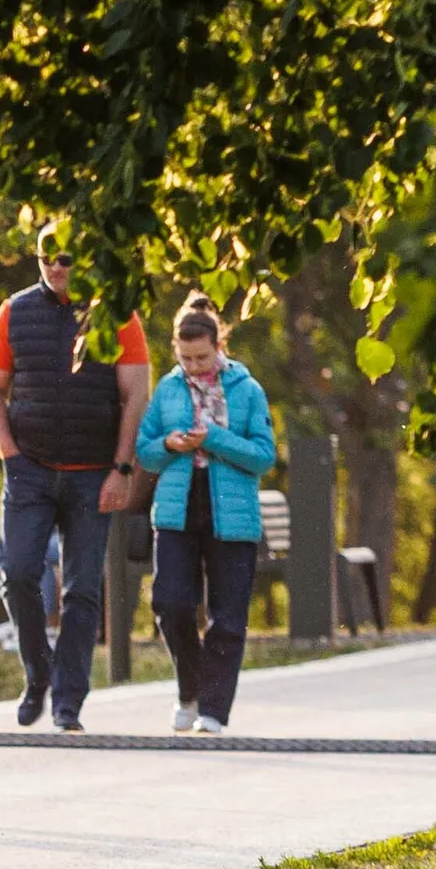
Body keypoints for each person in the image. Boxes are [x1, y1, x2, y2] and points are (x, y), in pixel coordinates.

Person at [0, 232, 153, 731]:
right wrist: (8, 452)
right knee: (17, 574)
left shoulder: (117, 313)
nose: (56, 266)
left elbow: (135, 395)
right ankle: (38, 674)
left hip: (93, 473)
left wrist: (122, 468)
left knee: (82, 590)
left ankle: (68, 700)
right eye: (46, 258)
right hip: (29, 468)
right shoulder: (13, 311)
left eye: (67, 258)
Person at [139, 299, 278, 733]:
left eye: (202, 357)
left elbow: (263, 456)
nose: (194, 366)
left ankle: (214, 710)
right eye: (185, 358)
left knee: (228, 616)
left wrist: (215, 439)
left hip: (231, 515)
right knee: (171, 604)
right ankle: (189, 688)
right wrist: (169, 444)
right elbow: (145, 450)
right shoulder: (167, 389)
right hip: (178, 511)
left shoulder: (247, 389)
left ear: (218, 346)